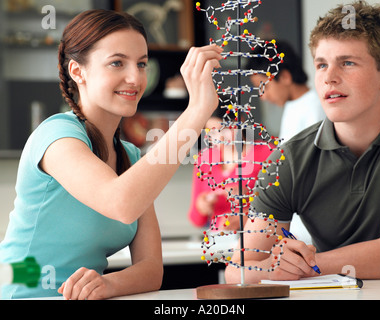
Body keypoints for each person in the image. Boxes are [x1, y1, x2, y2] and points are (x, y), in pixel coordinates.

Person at [0, 9, 223, 299]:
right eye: (117, 63)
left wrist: (108, 284)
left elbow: (151, 269)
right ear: (77, 71)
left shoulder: (130, 156)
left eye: (141, 64)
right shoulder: (55, 136)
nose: (135, 77)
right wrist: (196, 112)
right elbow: (121, 202)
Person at [225, 1, 380, 284]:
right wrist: (271, 268)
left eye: (348, 63)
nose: (329, 77)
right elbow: (237, 270)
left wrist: (303, 265)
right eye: (321, 64)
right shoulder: (288, 160)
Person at [188, 112, 274, 230]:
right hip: (221, 242)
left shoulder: (267, 153)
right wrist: (201, 206)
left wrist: (249, 212)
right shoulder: (204, 159)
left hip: (260, 239)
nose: (220, 138)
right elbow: (196, 220)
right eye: (212, 132)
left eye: (225, 129)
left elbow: (283, 206)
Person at [249, 41, 325, 142]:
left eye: (264, 87)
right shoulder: (292, 105)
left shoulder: (315, 108)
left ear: (285, 77)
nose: (263, 96)